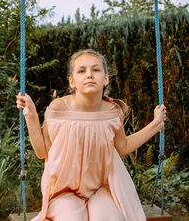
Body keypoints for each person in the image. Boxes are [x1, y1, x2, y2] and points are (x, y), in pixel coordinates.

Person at [16, 49, 167, 221]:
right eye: (82, 71)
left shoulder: (112, 112)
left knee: (110, 218)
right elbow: (42, 152)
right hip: (63, 191)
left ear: (105, 78)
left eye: (95, 70)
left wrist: (156, 125)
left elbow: (122, 147)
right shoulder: (59, 108)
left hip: (102, 188)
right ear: (72, 82)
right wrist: (31, 115)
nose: (89, 75)